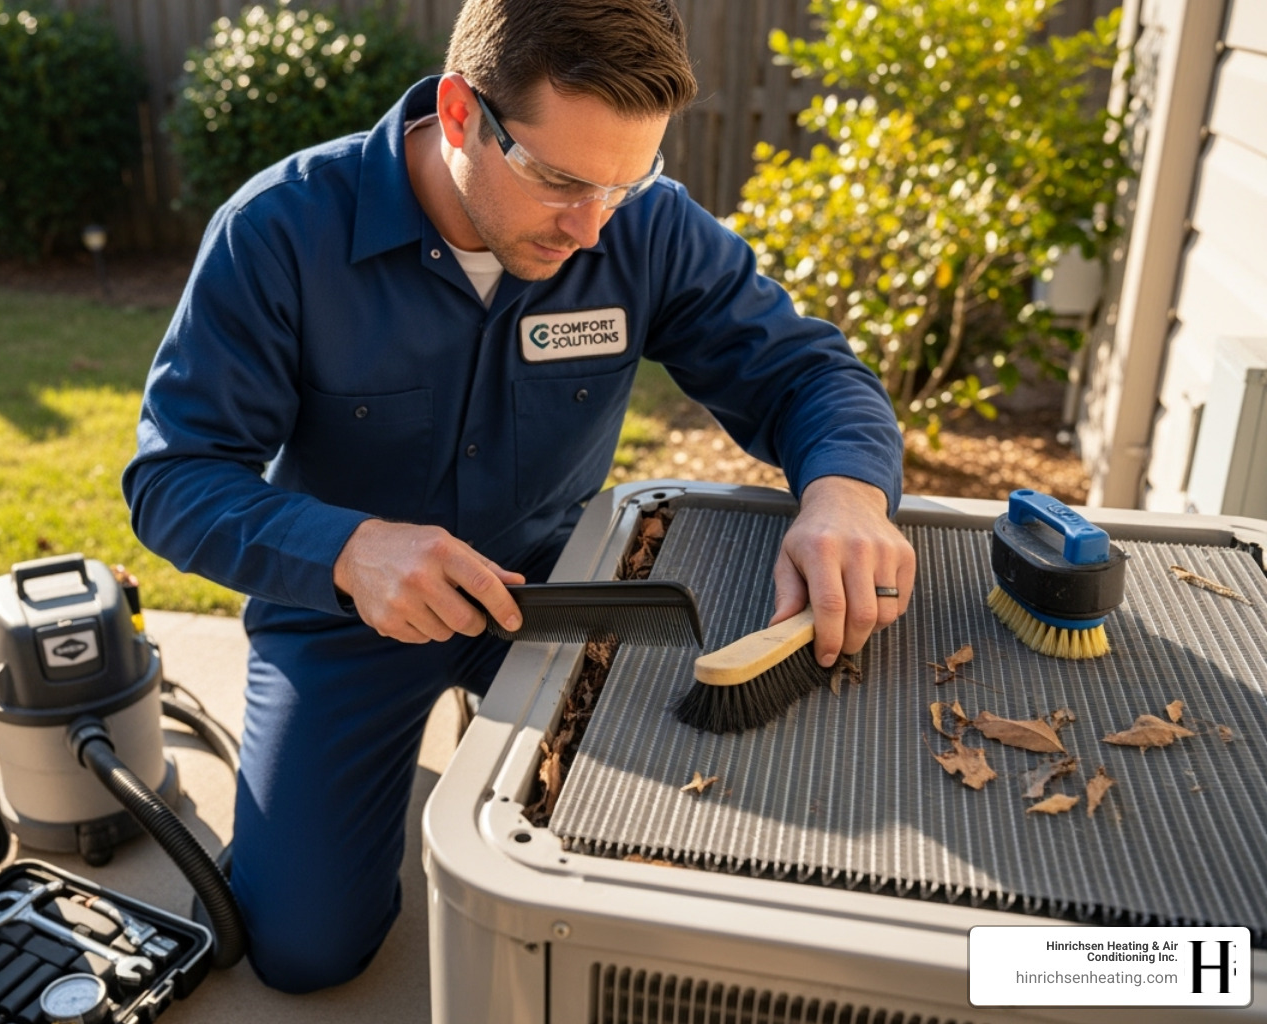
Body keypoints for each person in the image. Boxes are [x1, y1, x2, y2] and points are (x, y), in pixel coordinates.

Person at [123, 0, 916, 994]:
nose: (592, 228)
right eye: (558, 180)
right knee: (302, 951)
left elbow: (809, 375)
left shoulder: (644, 228)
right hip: (347, 613)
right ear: (459, 113)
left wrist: (845, 496)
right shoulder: (280, 232)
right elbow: (174, 480)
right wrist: (345, 549)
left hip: (562, 591)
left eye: (628, 183)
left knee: (664, 863)